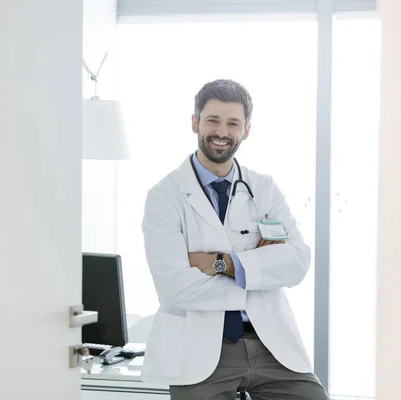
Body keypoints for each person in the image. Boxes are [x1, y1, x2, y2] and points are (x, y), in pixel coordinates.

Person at [140, 79, 329, 400]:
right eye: (212, 120)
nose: (222, 132)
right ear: (194, 122)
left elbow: (297, 263)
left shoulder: (264, 189)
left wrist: (221, 263)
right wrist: (257, 272)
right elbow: (174, 287)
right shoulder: (164, 196)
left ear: (246, 130)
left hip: (270, 341)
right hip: (201, 348)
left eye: (233, 123)